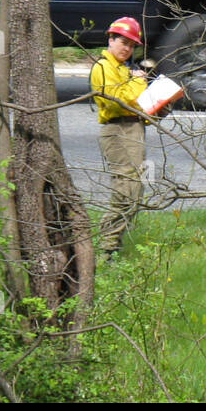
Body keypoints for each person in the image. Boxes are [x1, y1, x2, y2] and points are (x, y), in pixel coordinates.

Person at [90, 16, 149, 255]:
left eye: (132, 45)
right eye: (123, 42)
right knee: (126, 191)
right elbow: (115, 102)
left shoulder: (124, 70)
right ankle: (107, 249)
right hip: (118, 131)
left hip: (134, 129)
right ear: (111, 39)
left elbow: (137, 103)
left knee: (135, 191)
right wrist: (138, 83)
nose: (127, 48)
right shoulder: (103, 67)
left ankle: (112, 244)